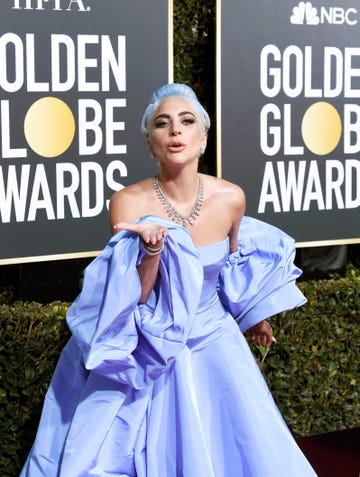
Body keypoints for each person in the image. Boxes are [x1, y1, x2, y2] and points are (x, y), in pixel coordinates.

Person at [20, 83, 317, 476]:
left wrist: (253, 316)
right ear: (151, 144)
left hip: (215, 342)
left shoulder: (231, 198)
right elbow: (135, 297)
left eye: (186, 121)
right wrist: (152, 252)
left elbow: (228, 266)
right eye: (163, 124)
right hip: (153, 347)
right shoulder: (128, 202)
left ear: (203, 138)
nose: (175, 131)